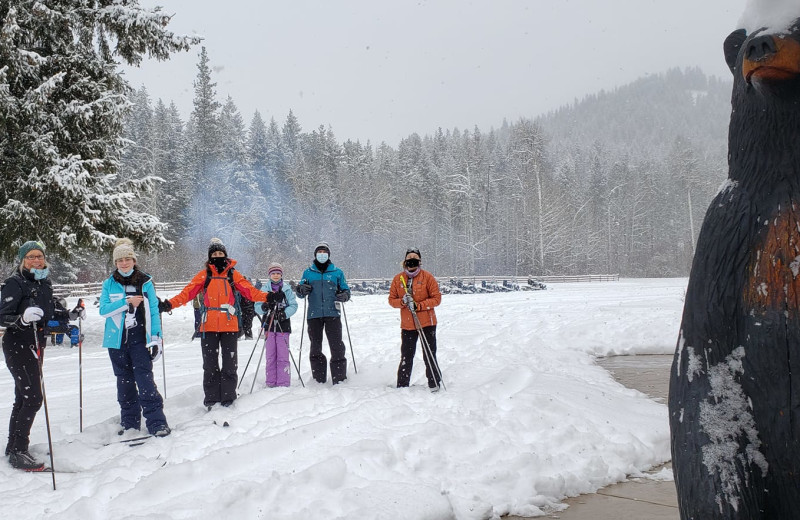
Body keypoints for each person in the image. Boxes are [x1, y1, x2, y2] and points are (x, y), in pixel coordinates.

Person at [158, 238, 269, 408]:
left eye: (221, 253)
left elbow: (250, 292)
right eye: (214, 254)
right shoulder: (204, 275)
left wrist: (268, 297)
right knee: (210, 365)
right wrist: (169, 304)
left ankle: (228, 398)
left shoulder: (233, 274)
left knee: (230, 364)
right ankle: (211, 399)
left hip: (229, 325)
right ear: (210, 257)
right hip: (208, 326)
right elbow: (187, 293)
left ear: (225, 255)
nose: (218, 256)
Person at [0, 240, 81, 470]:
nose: (36, 260)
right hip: (18, 346)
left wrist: (70, 316)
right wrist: (22, 319)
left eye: (39, 256)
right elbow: (2, 316)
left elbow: (48, 315)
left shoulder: (45, 283)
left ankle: (13, 445)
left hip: (37, 345)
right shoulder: (14, 284)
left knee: (23, 397)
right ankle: (19, 451)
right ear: (23, 260)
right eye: (31, 257)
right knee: (34, 398)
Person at [99, 238, 170, 437]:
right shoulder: (109, 284)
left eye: (127, 259)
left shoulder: (145, 282)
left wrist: (157, 337)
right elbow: (104, 310)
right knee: (124, 382)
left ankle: (157, 423)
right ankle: (130, 423)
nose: (124, 263)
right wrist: (126, 302)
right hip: (116, 340)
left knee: (145, 381)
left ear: (134, 260)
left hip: (140, 338)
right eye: (120, 260)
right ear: (115, 263)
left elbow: (154, 311)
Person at [295, 242, 351, 384]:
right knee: (315, 346)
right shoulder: (308, 272)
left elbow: (345, 289)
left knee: (336, 345)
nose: (321, 254)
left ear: (328, 254)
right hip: (314, 314)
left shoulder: (337, 272)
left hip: (333, 313)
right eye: (319, 252)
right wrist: (301, 289)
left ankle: (339, 378)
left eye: (324, 252)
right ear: (315, 255)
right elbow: (301, 292)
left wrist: (344, 295)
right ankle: (318, 379)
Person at [388, 248, 442, 391]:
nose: (412, 260)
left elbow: (436, 299)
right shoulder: (398, 279)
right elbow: (391, 300)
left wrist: (419, 305)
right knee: (406, 356)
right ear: (404, 261)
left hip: (427, 323)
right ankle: (402, 385)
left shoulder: (427, 277)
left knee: (429, 355)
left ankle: (434, 383)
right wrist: (402, 301)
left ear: (419, 261)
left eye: (415, 257)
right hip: (407, 325)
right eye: (409, 257)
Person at [255, 263, 298, 387]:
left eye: (278, 273)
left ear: (281, 275)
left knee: (283, 354)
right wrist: (264, 307)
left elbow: (294, 305)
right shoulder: (264, 289)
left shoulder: (286, 289)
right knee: (270, 355)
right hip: (269, 325)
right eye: (273, 273)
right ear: (269, 275)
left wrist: (285, 314)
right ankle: (271, 381)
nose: (276, 275)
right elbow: (257, 306)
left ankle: (283, 382)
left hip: (283, 325)